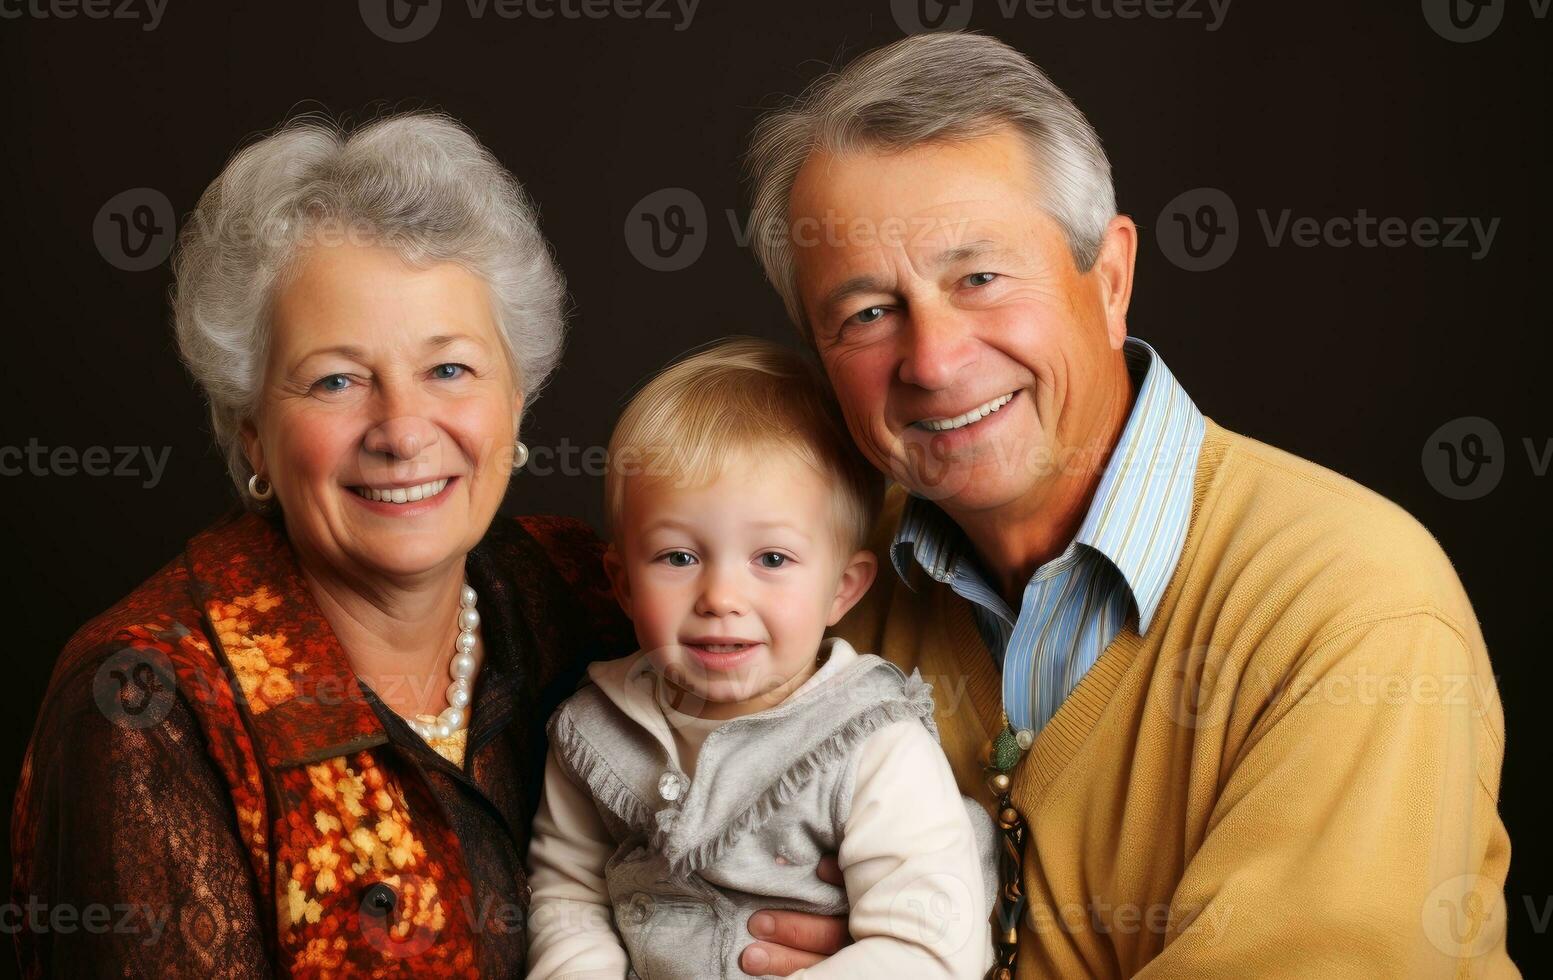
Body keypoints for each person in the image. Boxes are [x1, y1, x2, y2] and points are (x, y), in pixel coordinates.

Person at [738, 31, 1517, 978]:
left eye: (980, 278)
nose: (933, 360)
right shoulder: (813, 590)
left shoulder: (1351, 604)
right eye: (866, 314)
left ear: (1109, 281)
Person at [9, 111, 637, 976]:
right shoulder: (143, 706)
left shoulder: (587, 595)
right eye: (336, 380)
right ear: (253, 434)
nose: (402, 430)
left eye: (448, 368)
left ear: (517, 396)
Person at [524, 339, 995, 978]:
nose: (720, 598)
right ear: (624, 583)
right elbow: (568, 899)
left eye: (771, 560)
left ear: (843, 589)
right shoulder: (596, 730)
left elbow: (930, 950)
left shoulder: (871, 742)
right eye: (678, 558)